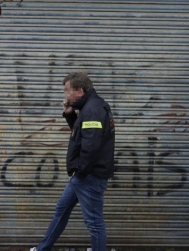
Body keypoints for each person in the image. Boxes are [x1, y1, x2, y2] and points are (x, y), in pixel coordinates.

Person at [32, 72, 115, 251]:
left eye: (67, 90)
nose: (65, 95)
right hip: (83, 175)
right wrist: (70, 115)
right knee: (61, 210)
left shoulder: (93, 110)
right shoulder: (90, 108)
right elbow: (82, 135)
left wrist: (81, 171)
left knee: (94, 223)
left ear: (80, 90)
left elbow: (91, 146)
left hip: (89, 176)